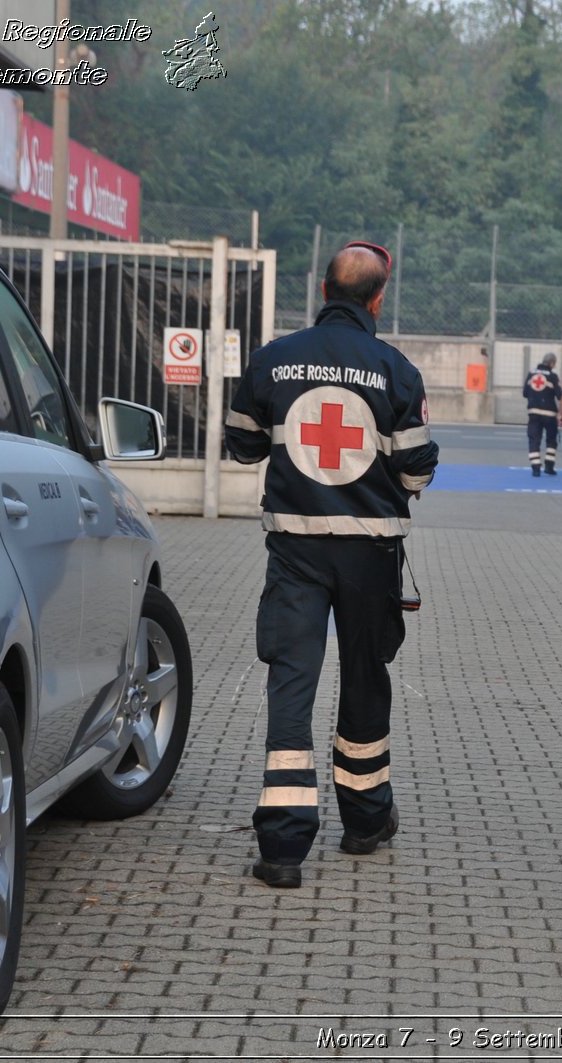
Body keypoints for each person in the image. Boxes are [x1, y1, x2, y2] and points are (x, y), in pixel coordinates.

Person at [225, 241, 439, 889]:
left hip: (294, 549)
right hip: (371, 554)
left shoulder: (273, 360)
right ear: (377, 299)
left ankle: (283, 846)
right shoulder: (396, 370)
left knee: (292, 680)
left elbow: (241, 446)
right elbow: (416, 468)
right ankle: (365, 819)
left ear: (322, 290)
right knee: (365, 678)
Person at [524, 353, 562, 476]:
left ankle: (535, 468)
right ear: (551, 363)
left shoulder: (531, 374)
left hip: (533, 412)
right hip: (549, 413)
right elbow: (560, 395)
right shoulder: (552, 376)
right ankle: (549, 467)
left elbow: (525, 393)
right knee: (551, 440)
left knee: (534, 439)